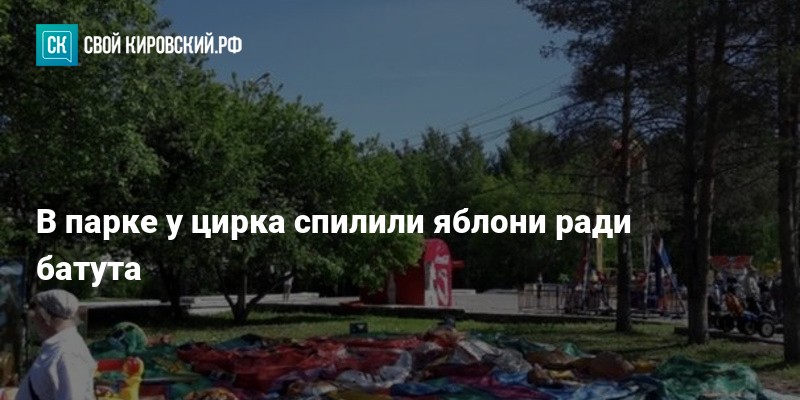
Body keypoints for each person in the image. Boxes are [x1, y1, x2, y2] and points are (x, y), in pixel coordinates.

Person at [15, 289, 96, 400]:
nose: (33, 318)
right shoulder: (59, 347)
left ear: (45, 316)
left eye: (36, 312)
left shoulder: (69, 354)